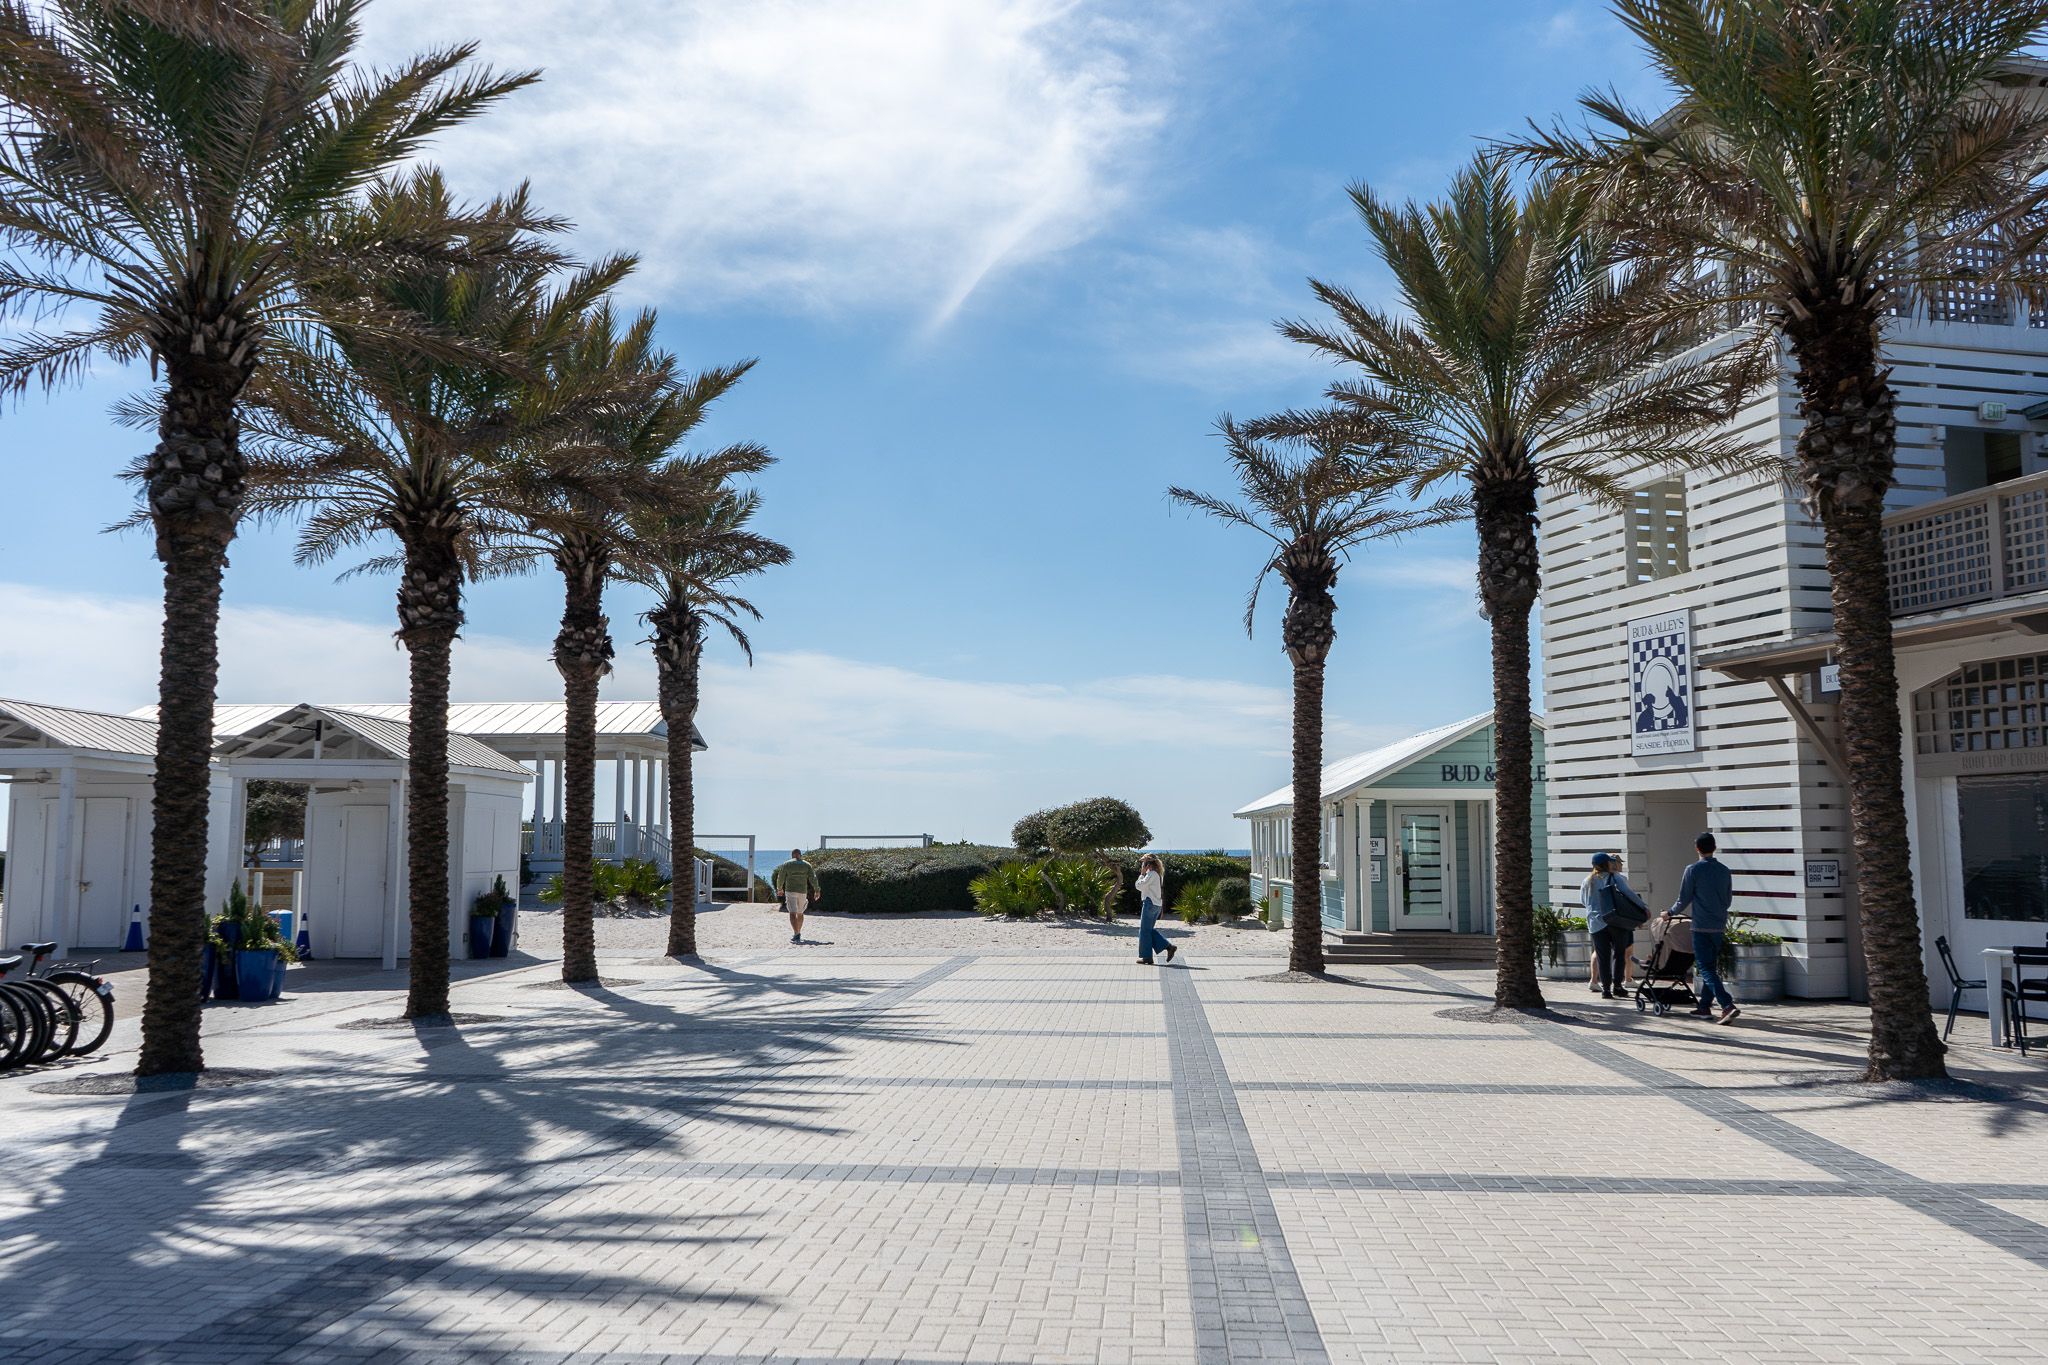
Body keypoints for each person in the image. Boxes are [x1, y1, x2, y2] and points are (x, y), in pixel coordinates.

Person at [1671, 831, 1739, 1023]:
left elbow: (1683, 898)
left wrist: (1670, 913)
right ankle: (1704, 1007)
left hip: (1701, 925)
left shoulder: (1692, 869)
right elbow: (1728, 900)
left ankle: (1727, 1005)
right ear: (1714, 848)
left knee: (1705, 968)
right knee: (1711, 967)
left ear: (1697, 848)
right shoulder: (1724, 871)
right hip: (1719, 925)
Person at [1581, 852, 1647, 999]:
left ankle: (1606, 989)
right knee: (1619, 954)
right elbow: (1628, 893)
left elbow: (1584, 902)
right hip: (1616, 921)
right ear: (1607, 864)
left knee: (1603, 957)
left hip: (1596, 923)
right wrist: (1644, 907)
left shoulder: (1587, 881)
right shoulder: (1615, 877)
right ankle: (1618, 986)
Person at [771, 848, 822, 945]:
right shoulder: (807, 865)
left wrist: (779, 888)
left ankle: (796, 933)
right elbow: (813, 878)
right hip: (802, 891)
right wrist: (817, 890)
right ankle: (798, 932)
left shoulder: (787, 864)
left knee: (792, 912)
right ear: (800, 855)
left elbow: (781, 877)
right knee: (800, 913)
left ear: (792, 855)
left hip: (790, 891)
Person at [1134, 854, 1176, 965]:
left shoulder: (1151, 874)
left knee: (1144, 931)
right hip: (1156, 905)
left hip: (1150, 903)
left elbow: (1139, 886)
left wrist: (1141, 874)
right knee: (1148, 930)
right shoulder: (1158, 874)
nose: (1142, 866)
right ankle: (1167, 948)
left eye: (1143, 863)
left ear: (1147, 864)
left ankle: (1148, 956)